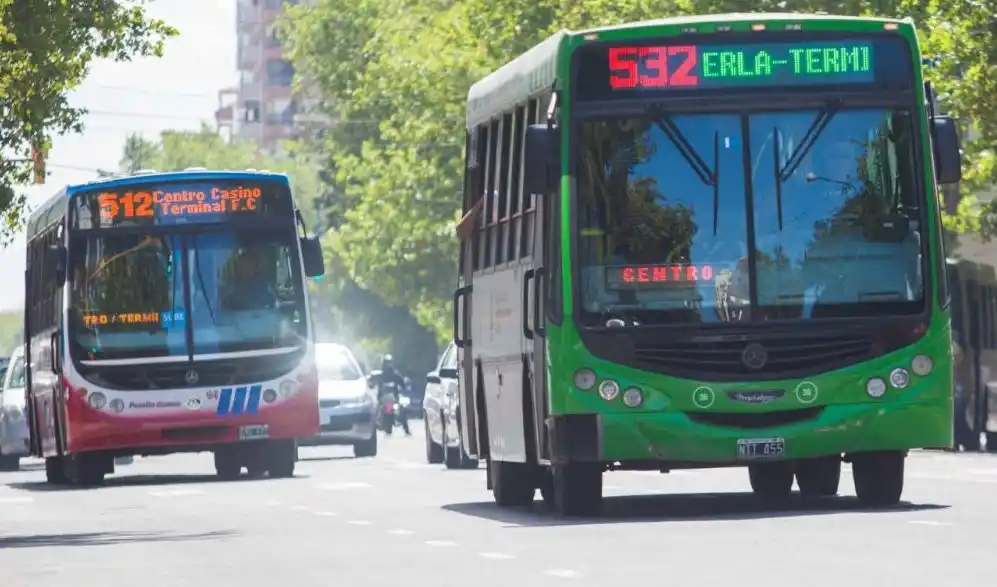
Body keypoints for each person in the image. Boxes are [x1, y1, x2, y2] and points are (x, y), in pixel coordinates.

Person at [369, 355, 410, 435]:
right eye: (387, 363)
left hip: (394, 399)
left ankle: (406, 429)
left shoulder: (395, 375)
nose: (389, 365)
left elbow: (403, 384)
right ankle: (381, 425)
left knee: (402, 411)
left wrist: (405, 385)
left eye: (390, 363)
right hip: (383, 400)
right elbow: (371, 384)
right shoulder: (380, 375)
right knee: (374, 411)